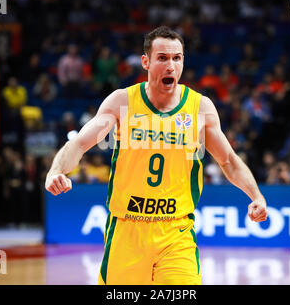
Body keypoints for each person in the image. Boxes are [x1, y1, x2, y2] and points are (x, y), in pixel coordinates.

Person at [45, 26, 268, 285]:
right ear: (146, 62)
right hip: (127, 229)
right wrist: (56, 171)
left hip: (177, 231)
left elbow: (228, 160)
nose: (171, 65)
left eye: (177, 58)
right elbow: (80, 143)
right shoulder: (122, 102)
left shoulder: (200, 108)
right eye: (162, 58)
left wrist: (256, 196)